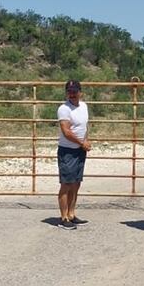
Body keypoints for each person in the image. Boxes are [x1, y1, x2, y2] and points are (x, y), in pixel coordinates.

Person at [56, 80, 91, 230]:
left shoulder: (84, 106)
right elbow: (66, 131)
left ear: (80, 92)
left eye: (74, 91)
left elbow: (84, 126)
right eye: (69, 91)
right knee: (66, 183)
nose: (72, 94)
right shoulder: (64, 109)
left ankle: (71, 213)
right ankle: (63, 217)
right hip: (68, 150)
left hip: (79, 150)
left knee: (76, 183)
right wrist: (81, 143)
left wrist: (86, 140)